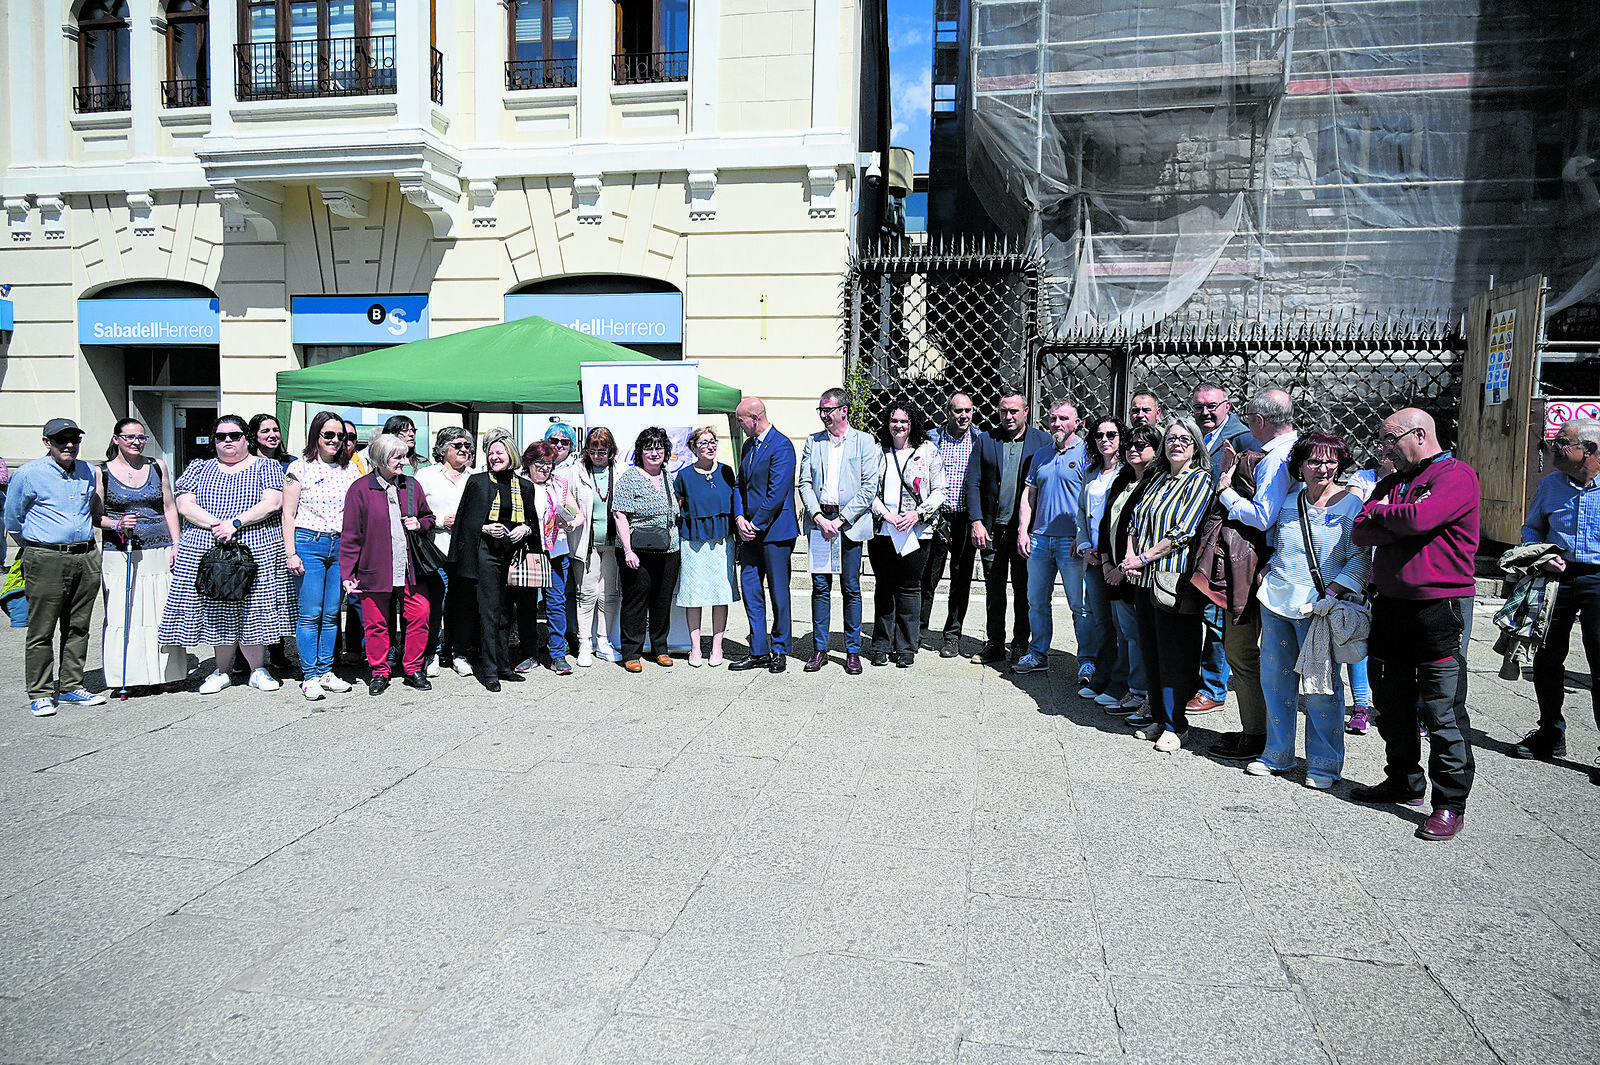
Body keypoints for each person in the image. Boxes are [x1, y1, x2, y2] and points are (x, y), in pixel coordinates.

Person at [1351, 408, 1480, 841]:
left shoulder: (1455, 476)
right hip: (1390, 604)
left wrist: (1393, 516)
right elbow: (1360, 531)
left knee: (1441, 710)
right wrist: (1400, 516)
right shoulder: (1392, 482)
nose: (1384, 449)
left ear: (1419, 434)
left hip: (1437, 608)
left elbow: (1421, 520)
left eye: (1390, 439)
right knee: (1392, 700)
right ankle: (1403, 779)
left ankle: (1449, 804)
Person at [1247, 432, 1371, 789]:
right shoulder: (1288, 501)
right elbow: (1280, 545)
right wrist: (1269, 568)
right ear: (1300, 466)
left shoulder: (1351, 506)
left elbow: (1361, 559)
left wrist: (1333, 592)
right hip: (1276, 602)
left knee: (1321, 689)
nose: (1323, 468)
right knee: (1275, 683)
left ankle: (1325, 764)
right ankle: (1277, 755)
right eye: (1314, 461)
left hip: (1319, 609)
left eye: (1331, 461)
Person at [158, 414, 292, 695]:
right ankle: (222, 671)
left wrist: (235, 523)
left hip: (257, 548)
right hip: (209, 548)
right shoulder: (199, 467)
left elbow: (273, 502)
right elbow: (184, 503)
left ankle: (258, 669)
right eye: (221, 436)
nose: (228, 440)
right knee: (219, 610)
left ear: (247, 438)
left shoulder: (266, 466)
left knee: (254, 609)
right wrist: (217, 525)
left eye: (234, 435)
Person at [1210, 389, 1300, 762]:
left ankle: (1258, 735)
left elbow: (1264, 516)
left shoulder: (1278, 457)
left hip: (1261, 565)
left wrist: (1227, 492)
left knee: (1243, 651)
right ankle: (1260, 731)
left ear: (1260, 422)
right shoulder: (1292, 449)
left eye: (1249, 420)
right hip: (1277, 566)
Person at [1120, 417, 1213, 752]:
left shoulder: (1200, 480)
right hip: (1142, 578)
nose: (1176, 444)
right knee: (1151, 650)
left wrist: (1142, 559)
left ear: (1196, 446)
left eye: (1185, 440)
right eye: (1171, 438)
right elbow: (1134, 519)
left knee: (1175, 653)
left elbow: (1183, 532)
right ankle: (1159, 717)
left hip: (1171, 579)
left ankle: (1177, 725)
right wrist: (1131, 557)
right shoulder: (1157, 477)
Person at [4, 418, 107, 716]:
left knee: (78, 626)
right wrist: (38, 548)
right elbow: (13, 520)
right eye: (61, 439)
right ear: (47, 442)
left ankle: (72, 686)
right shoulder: (29, 474)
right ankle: (40, 692)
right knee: (42, 629)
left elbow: (92, 509)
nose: (69, 445)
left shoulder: (87, 470)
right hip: (45, 557)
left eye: (74, 439)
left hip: (85, 555)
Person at [1513, 416, 1600, 766]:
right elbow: (1532, 528)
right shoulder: (1551, 485)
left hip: (1598, 580)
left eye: (1562, 442)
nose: (1552, 448)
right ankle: (1551, 731)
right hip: (1557, 580)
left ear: (1589, 450)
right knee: (1547, 660)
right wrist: (1542, 555)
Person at [340, 433, 436, 695]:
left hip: (410, 570)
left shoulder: (411, 486)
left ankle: (413, 667)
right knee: (376, 624)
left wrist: (420, 523)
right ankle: (380, 672)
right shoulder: (360, 489)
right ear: (381, 459)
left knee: (420, 616)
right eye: (398, 457)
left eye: (404, 456)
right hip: (374, 570)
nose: (404, 461)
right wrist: (347, 573)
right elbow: (351, 535)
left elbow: (429, 518)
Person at [97, 418, 185, 692]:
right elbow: (94, 515)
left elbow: (169, 506)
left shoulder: (157, 466)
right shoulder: (102, 472)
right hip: (120, 552)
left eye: (141, 437)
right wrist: (116, 524)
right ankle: (128, 677)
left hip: (158, 549)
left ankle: (165, 675)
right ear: (116, 439)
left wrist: (177, 543)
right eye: (129, 437)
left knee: (161, 611)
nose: (136, 442)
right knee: (126, 614)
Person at [281, 411, 363, 700]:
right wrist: (291, 553)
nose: (336, 440)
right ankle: (310, 675)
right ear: (316, 435)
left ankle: (327, 671)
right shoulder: (299, 468)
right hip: (308, 543)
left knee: (331, 614)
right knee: (310, 614)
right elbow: (288, 514)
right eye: (329, 435)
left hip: (339, 545)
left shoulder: (350, 470)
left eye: (341, 436)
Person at [966, 392, 1052, 665]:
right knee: (994, 589)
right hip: (992, 529)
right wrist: (976, 521)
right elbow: (973, 483)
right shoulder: (986, 440)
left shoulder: (1042, 442)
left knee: (1024, 589)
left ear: (1026, 411)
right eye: (1004, 411)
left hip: (1024, 531)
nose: (1009, 416)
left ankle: (1020, 643)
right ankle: (995, 643)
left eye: (1014, 411)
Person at [799, 388, 880, 673]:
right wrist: (819, 516)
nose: (823, 415)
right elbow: (804, 483)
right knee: (820, 587)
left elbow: (870, 487)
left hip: (850, 524)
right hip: (821, 522)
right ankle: (819, 649)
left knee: (851, 587)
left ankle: (852, 651)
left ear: (844, 410)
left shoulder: (864, 442)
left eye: (828, 410)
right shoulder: (813, 442)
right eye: (821, 410)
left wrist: (841, 519)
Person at [448, 430, 535, 691]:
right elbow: (466, 522)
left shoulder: (525, 486)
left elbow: (532, 521)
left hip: (514, 554)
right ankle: (489, 671)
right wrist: (486, 528)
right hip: (485, 553)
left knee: (508, 612)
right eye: (491, 453)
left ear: (512, 454)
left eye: (500, 452)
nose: (494, 457)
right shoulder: (478, 482)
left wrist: (526, 529)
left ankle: (504, 666)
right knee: (489, 611)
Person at [1189, 383, 1256, 715]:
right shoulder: (1196, 435)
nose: (1205, 412)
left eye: (1212, 405)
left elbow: (1254, 488)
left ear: (1227, 406)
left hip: (1224, 540)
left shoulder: (1243, 439)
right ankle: (1197, 679)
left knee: (1217, 616)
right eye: (1199, 406)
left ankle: (1214, 688)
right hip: (1195, 539)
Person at [1014, 399, 1092, 678]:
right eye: (1052, 418)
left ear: (1077, 422)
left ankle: (1087, 659)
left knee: (1080, 605)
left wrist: (1082, 536)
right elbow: (1028, 495)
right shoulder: (1041, 455)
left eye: (1063, 418)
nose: (1056, 423)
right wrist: (1024, 530)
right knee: (1036, 600)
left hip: (1071, 543)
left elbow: (1091, 500)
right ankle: (1038, 653)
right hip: (1040, 540)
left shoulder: (1087, 453)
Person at [868, 401, 948, 668]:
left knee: (910, 588)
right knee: (884, 587)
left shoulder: (928, 451)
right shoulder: (879, 452)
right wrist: (886, 515)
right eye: (894, 421)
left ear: (912, 423)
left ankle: (905, 647)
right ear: (887, 424)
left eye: (904, 421)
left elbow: (940, 490)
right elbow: (867, 490)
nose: (898, 426)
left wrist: (918, 514)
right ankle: (881, 644)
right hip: (884, 531)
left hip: (917, 532)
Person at [1098, 422, 1163, 717]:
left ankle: (1141, 692)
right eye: (1129, 445)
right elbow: (1106, 522)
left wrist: (1121, 568)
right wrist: (1106, 560)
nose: (1133, 450)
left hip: (1135, 572)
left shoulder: (1156, 483)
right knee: (1125, 633)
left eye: (1141, 445)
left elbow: (1143, 533)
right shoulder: (1124, 478)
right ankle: (1131, 687)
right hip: (1113, 568)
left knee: (1137, 635)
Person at [731, 397, 798, 673]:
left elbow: (777, 493)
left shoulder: (782, 446)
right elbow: (739, 485)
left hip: (775, 533)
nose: (739, 425)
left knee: (778, 593)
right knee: (750, 589)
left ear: (755, 418)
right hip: (749, 533)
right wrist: (739, 518)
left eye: (741, 420)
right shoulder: (748, 446)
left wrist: (754, 524)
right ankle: (758, 649)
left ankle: (779, 648)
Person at [614, 427, 683, 672]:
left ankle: (660, 649)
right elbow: (620, 515)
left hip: (668, 549)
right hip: (638, 552)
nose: (654, 453)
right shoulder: (631, 477)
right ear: (640, 452)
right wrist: (628, 550)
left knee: (662, 601)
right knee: (635, 601)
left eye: (659, 447)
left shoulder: (668, 477)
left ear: (665, 452)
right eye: (649, 448)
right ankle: (631, 653)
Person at [1075, 415, 1132, 707]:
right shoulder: (1091, 472)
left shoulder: (1128, 473)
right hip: (1094, 558)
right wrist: (1085, 547)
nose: (1105, 440)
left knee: (1122, 625)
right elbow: (1081, 515)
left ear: (1121, 438)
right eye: (1099, 435)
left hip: (1118, 561)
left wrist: (1112, 556)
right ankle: (1102, 677)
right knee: (1101, 622)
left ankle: (1120, 684)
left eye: (1111, 434)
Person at [920, 392, 982, 658]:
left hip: (965, 520)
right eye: (958, 411)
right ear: (947, 412)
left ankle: (952, 636)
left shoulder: (980, 440)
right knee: (926, 577)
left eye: (968, 410)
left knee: (961, 579)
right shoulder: (930, 439)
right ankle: (917, 631)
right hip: (935, 519)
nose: (964, 416)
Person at [675, 427, 742, 667]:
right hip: (692, 541)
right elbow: (678, 509)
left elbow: (736, 504)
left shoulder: (727, 471)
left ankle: (717, 647)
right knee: (693, 595)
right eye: (703, 443)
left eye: (713, 442)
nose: (710, 446)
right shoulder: (683, 476)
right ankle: (695, 649)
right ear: (693, 448)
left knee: (720, 593)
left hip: (722, 540)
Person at [416, 426, 477, 678]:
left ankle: (458, 653)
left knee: (462, 604)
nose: (464, 450)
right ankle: (431, 652)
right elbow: (416, 511)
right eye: (458, 445)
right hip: (436, 549)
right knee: (435, 604)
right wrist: (441, 520)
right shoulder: (426, 475)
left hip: (465, 551)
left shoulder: (476, 477)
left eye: (467, 446)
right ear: (443, 449)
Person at [521, 440, 582, 675]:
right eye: (540, 463)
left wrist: (569, 523)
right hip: (528, 553)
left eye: (550, 463)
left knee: (556, 603)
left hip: (556, 551)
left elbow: (579, 515)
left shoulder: (558, 484)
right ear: (529, 462)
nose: (546, 468)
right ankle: (529, 653)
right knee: (527, 605)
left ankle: (557, 654)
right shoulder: (519, 483)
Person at [569, 427, 622, 667]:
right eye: (593, 450)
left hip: (612, 543)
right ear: (586, 451)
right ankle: (584, 643)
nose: (598, 455)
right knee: (586, 594)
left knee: (608, 595)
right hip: (585, 544)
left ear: (611, 451)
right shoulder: (575, 473)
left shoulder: (621, 472)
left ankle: (603, 641)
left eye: (603, 450)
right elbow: (565, 502)